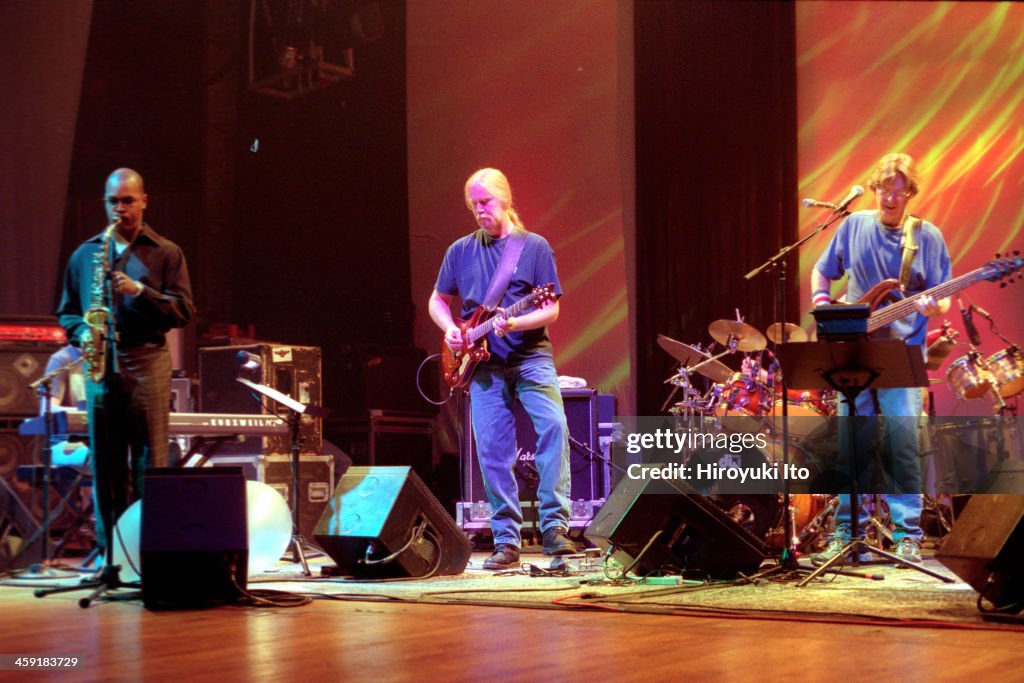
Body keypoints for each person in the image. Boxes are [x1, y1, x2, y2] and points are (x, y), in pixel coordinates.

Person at [809, 153, 951, 565]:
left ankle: (908, 533)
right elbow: (823, 272)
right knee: (851, 443)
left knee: (900, 443)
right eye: (884, 188)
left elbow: (942, 297)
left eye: (899, 189)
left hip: (901, 351)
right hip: (852, 349)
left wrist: (932, 308)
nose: (891, 196)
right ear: (874, 189)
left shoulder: (927, 236)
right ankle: (847, 532)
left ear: (910, 193)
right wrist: (823, 303)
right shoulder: (853, 225)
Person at [428, 168, 574, 570]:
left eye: (485, 203)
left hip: (530, 357)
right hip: (483, 367)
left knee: (554, 430)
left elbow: (551, 307)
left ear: (505, 200)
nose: (479, 211)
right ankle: (507, 541)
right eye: (473, 205)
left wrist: (516, 322)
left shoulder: (535, 247)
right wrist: (451, 330)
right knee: (493, 452)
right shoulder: (459, 251)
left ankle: (554, 530)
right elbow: (437, 301)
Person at [56, 168, 194, 560]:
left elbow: (183, 311)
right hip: (101, 365)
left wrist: (141, 291)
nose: (120, 209)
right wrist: (80, 332)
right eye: (113, 202)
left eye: (128, 201)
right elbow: (66, 312)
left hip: (146, 358)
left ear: (144, 201)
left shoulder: (166, 251)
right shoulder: (86, 254)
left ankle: (149, 552)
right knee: (106, 463)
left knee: (150, 461)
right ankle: (110, 555)